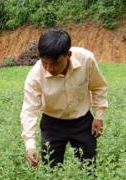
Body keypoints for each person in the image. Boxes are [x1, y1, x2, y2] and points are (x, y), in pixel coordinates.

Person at [20, 28, 108, 171]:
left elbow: (98, 87)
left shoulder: (86, 60)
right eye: (45, 63)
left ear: (68, 55)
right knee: (51, 169)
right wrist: (29, 146)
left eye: (55, 63)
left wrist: (99, 116)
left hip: (82, 121)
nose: (49, 68)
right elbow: (29, 110)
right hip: (52, 124)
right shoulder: (35, 75)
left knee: (88, 168)